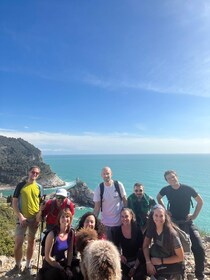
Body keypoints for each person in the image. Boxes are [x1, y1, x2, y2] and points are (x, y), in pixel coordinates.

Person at [157, 170, 205, 280]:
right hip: (173, 222)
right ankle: (178, 272)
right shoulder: (166, 190)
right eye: (169, 178)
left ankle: (200, 275)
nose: (172, 179)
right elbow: (158, 197)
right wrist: (165, 210)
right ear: (167, 181)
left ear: (177, 177)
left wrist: (194, 216)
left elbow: (200, 201)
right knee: (174, 248)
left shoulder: (188, 189)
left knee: (199, 247)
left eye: (173, 177)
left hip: (187, 221)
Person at [6, 166, 43, 277]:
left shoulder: (39, 187)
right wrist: (20, 216)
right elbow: (14, 203)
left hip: (34, 220)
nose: (34, 174)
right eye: (33, 172)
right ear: (28, 172)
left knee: (31, 243)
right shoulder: (20, 185)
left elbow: (40, 203)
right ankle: (17, 266)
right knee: (18, 243)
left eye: (37, 173)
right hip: (22, 219)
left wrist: (38, 217)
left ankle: (28, 266)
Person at [143, 204, 185, 280]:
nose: (158, 218)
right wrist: (148, 262)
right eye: (156, 215)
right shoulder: (152, 228)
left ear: (165, 217)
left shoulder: (171, 234)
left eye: (161, 216)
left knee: (157, 276)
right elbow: (145, 246)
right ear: (152, 216)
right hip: (161, 256)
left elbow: (180, 257)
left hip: (174, 263)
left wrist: (160, 261)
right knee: (141, 263)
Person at [93, 166, 127, 246]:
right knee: (107, 246)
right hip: (105, 224)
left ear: (111, 174)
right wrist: (93, 221)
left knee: (119, 247)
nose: (106, 176)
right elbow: (97, 207)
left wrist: (125, 218)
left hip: (119, 223)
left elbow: (125, 201)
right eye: (104, 174)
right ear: (101, 175)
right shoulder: (99, 188)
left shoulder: (118, 185)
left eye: (107, 173)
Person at [38, 208, 74, 280]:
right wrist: (61, 268)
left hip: (62, 262)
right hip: (50, 264)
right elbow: (47, 257)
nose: (65, 219)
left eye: (67, 216)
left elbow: (70, 252)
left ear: (70, 219)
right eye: (62, 217)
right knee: (58, 274)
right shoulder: (52, 234)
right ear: (59, 220)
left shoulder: (71, 233)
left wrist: (68, 267)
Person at [116, 208, 146, 280]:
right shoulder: (118, 230)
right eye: (122, 217)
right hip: (125, 260)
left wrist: (135, 267)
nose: (124, 219)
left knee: (138, 276)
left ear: (131, 216)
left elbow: (141, 249)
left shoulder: (137, 230)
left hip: (137, 260)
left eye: (126, 216)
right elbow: (116, 246)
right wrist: (120, 255)